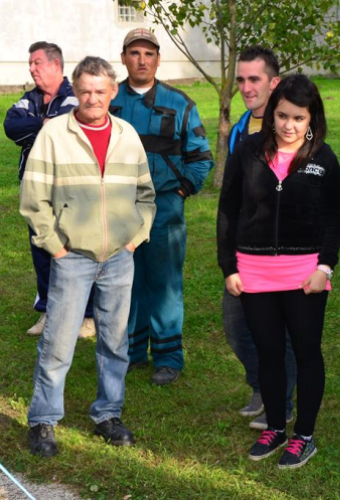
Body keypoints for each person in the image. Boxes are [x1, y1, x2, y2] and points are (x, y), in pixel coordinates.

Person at [21, 56, 156, 456]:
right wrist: (56, 247)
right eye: (85, 91)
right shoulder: (54, 135)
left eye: (100, 91)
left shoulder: (127, 135)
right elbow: (33, 199)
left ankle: (107, 414)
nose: (92, 99)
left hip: (119, 255)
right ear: (74, 92)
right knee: (59, 340)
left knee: (115, 341)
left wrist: (135, 237)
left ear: (113, 92)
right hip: (72, 256)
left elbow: (145, 194)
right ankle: (43, 420)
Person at [217, 74, 340, 468]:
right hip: (253, 271)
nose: (289, 126)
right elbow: (227, 208)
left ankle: (304, 435)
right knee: (268, 351)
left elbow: (332, 219)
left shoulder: (323, 159)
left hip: (305, 275)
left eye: (299, 119)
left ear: (312, 121)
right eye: (282, 115)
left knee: (306, 352)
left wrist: (325, 266)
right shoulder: (249, 149)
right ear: (272, 113)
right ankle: (275, 425)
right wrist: (229, 266)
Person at [110, 28, 214, 385]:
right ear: (123, 58)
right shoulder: (109, 101)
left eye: (149, 53)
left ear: (158, 58)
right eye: (135, 53)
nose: (142, 60)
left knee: (165, 282)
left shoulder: (180, 102)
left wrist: (182, 191)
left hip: (166, 207)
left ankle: (168, 357)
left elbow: (201, 157)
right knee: (126, 280)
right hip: (119, 209)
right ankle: (133, 351)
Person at [224, 46, 296, 430]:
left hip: (282, 255)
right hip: (244, 249)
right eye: (241, 79)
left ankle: (279, 403)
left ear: (274, 82)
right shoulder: (240, 128)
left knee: (276, 332)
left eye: (254, 79)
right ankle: (260, 385)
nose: (246, 87)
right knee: (236, 326)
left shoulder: (288, 126)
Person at [4, 41, 96, 338]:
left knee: (76, 251)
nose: (32, 68)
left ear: (56, 65)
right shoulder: (29, 98)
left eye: (37, 62)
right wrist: (42, 124)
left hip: (68, 191)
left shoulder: (74, 98)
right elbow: (10, 126)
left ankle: (87, 315)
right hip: (35, 191)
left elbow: (65, 132)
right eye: (30, 63)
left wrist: (39, 127)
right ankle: (48, 311)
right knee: (42, 251)